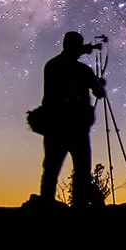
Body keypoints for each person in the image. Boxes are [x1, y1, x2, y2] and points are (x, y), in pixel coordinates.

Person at [32, 30, 107, 206]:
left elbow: (70, 56)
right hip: (78, 130)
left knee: (50, 170)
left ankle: (46, 207)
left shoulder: (51, 65)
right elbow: (99, 92)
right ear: (76, 47)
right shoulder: (83, 71)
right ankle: (79, 209)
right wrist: (100, 83)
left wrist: (87, 48)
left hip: (54, 128)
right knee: (82, 171)